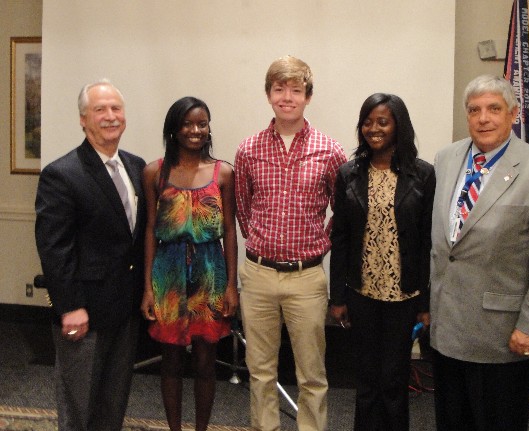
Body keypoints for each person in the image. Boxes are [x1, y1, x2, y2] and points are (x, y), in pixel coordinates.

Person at [429, 75, 529, 431]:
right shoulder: (446, 158)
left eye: (494, 109)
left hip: (503, 333)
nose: (483, 118)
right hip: (447, 328)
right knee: (452, 420)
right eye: (474, 110)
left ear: (512, 114)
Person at [235, 55, 347, 431]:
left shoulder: (330, 151)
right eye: (279, 89)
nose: (287, 97)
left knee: (312, 374)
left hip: (306, 279)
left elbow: (343, 211)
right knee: (260, 371)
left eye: (295, 90)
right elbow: (244, 210)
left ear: (307, 97)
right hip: (258, 275)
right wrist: (263, 242)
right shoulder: (248, 150)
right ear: (269, 94)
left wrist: (319, 242)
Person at [35, 79, 146, 431]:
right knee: (78, 406)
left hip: (124, 309)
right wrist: (69, 307)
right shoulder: (61, 174)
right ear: (83, 119)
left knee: (113, 403)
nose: (110, 117)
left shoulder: (136, 166)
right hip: (84, 312)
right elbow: (54, 248)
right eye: (100, 110)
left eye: (116, 108)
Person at [329, 93, 434, 431]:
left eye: (382, 122)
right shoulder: (348, 174)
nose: (373, 129)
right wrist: (338, 297)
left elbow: (426, 241)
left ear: (398, 126)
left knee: (393, 380)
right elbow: (341, 238)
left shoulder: (423, 175)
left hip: (404, 296)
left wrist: (424, 301)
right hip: (362, 294)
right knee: (366, 381)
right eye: (367, 121)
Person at [140, 97, 238, 431]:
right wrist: (148, 290)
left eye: (202, 124)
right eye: (187, 124)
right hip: (167, 273)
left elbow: (229, 230)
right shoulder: (155, 172)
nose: (195, 130)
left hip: (210, 271)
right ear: (174, 128)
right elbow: (151, 230)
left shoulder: (223, 172)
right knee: (170, 360)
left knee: (206, 361)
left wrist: (230, 287)